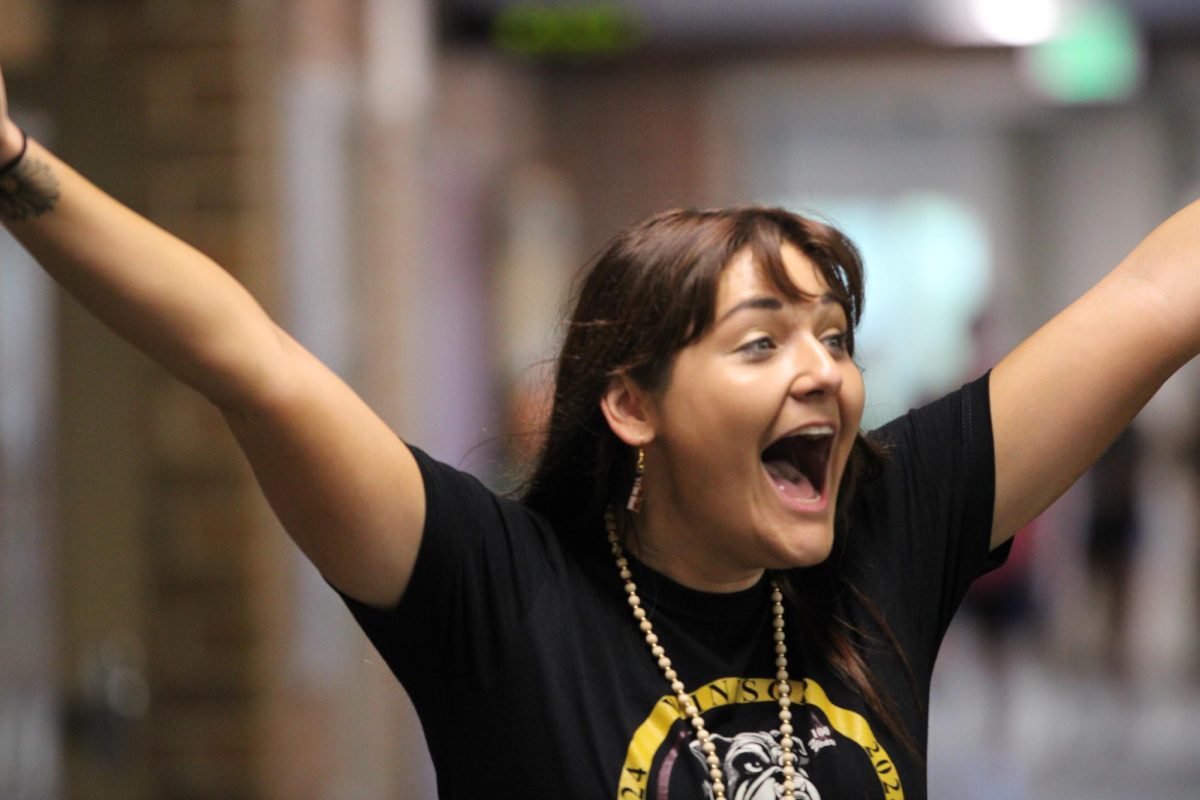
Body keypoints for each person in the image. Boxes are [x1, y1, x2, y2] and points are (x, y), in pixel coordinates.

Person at [3, 66, 1199, 800]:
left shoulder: (885, 533)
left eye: (835, 335)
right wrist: (12, 166)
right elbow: (248, 360)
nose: (825, 373)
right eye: (762, 340)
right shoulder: (500, 594)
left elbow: (1155, 297)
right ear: (633, 405)